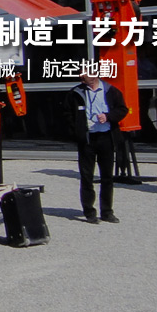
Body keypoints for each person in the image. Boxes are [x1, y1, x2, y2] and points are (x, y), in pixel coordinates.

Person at [64, 73, 129, 224]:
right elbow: (67, 114)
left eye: (85, 73)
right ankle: (89, 212)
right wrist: (77, 131)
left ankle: (107, 212)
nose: (81, 76)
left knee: (107, 176)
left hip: (106, 137)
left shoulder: (111, 90)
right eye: (80, 73)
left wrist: (108, 116)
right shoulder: (75, 93)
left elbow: (122, 109)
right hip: (87, 139)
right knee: (87, 176)